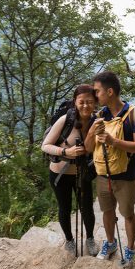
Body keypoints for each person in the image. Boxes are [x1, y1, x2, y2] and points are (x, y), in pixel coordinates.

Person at [85, 71, 135, 267]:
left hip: (126, 176)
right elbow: (88, 148)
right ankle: (111, 244)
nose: (95, 96)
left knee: (127, 213)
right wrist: (92, 132)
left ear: (110, 91)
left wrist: (113, 141)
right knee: (107, 212)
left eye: (97, 92)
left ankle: (129, 249)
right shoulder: (98, 116)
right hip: (103, 174)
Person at [41, 84, 98, 256]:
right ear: (75, 102)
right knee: (64, 208)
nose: (86, 105)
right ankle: (69, 240)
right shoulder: (65, 120)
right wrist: (66, 152)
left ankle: (89, 238)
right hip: (59, 173)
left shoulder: (97, 122)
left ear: (95, 102)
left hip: (83, 173)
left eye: (90, 101)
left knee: (87, 208)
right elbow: (45, 146)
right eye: (82, 102)